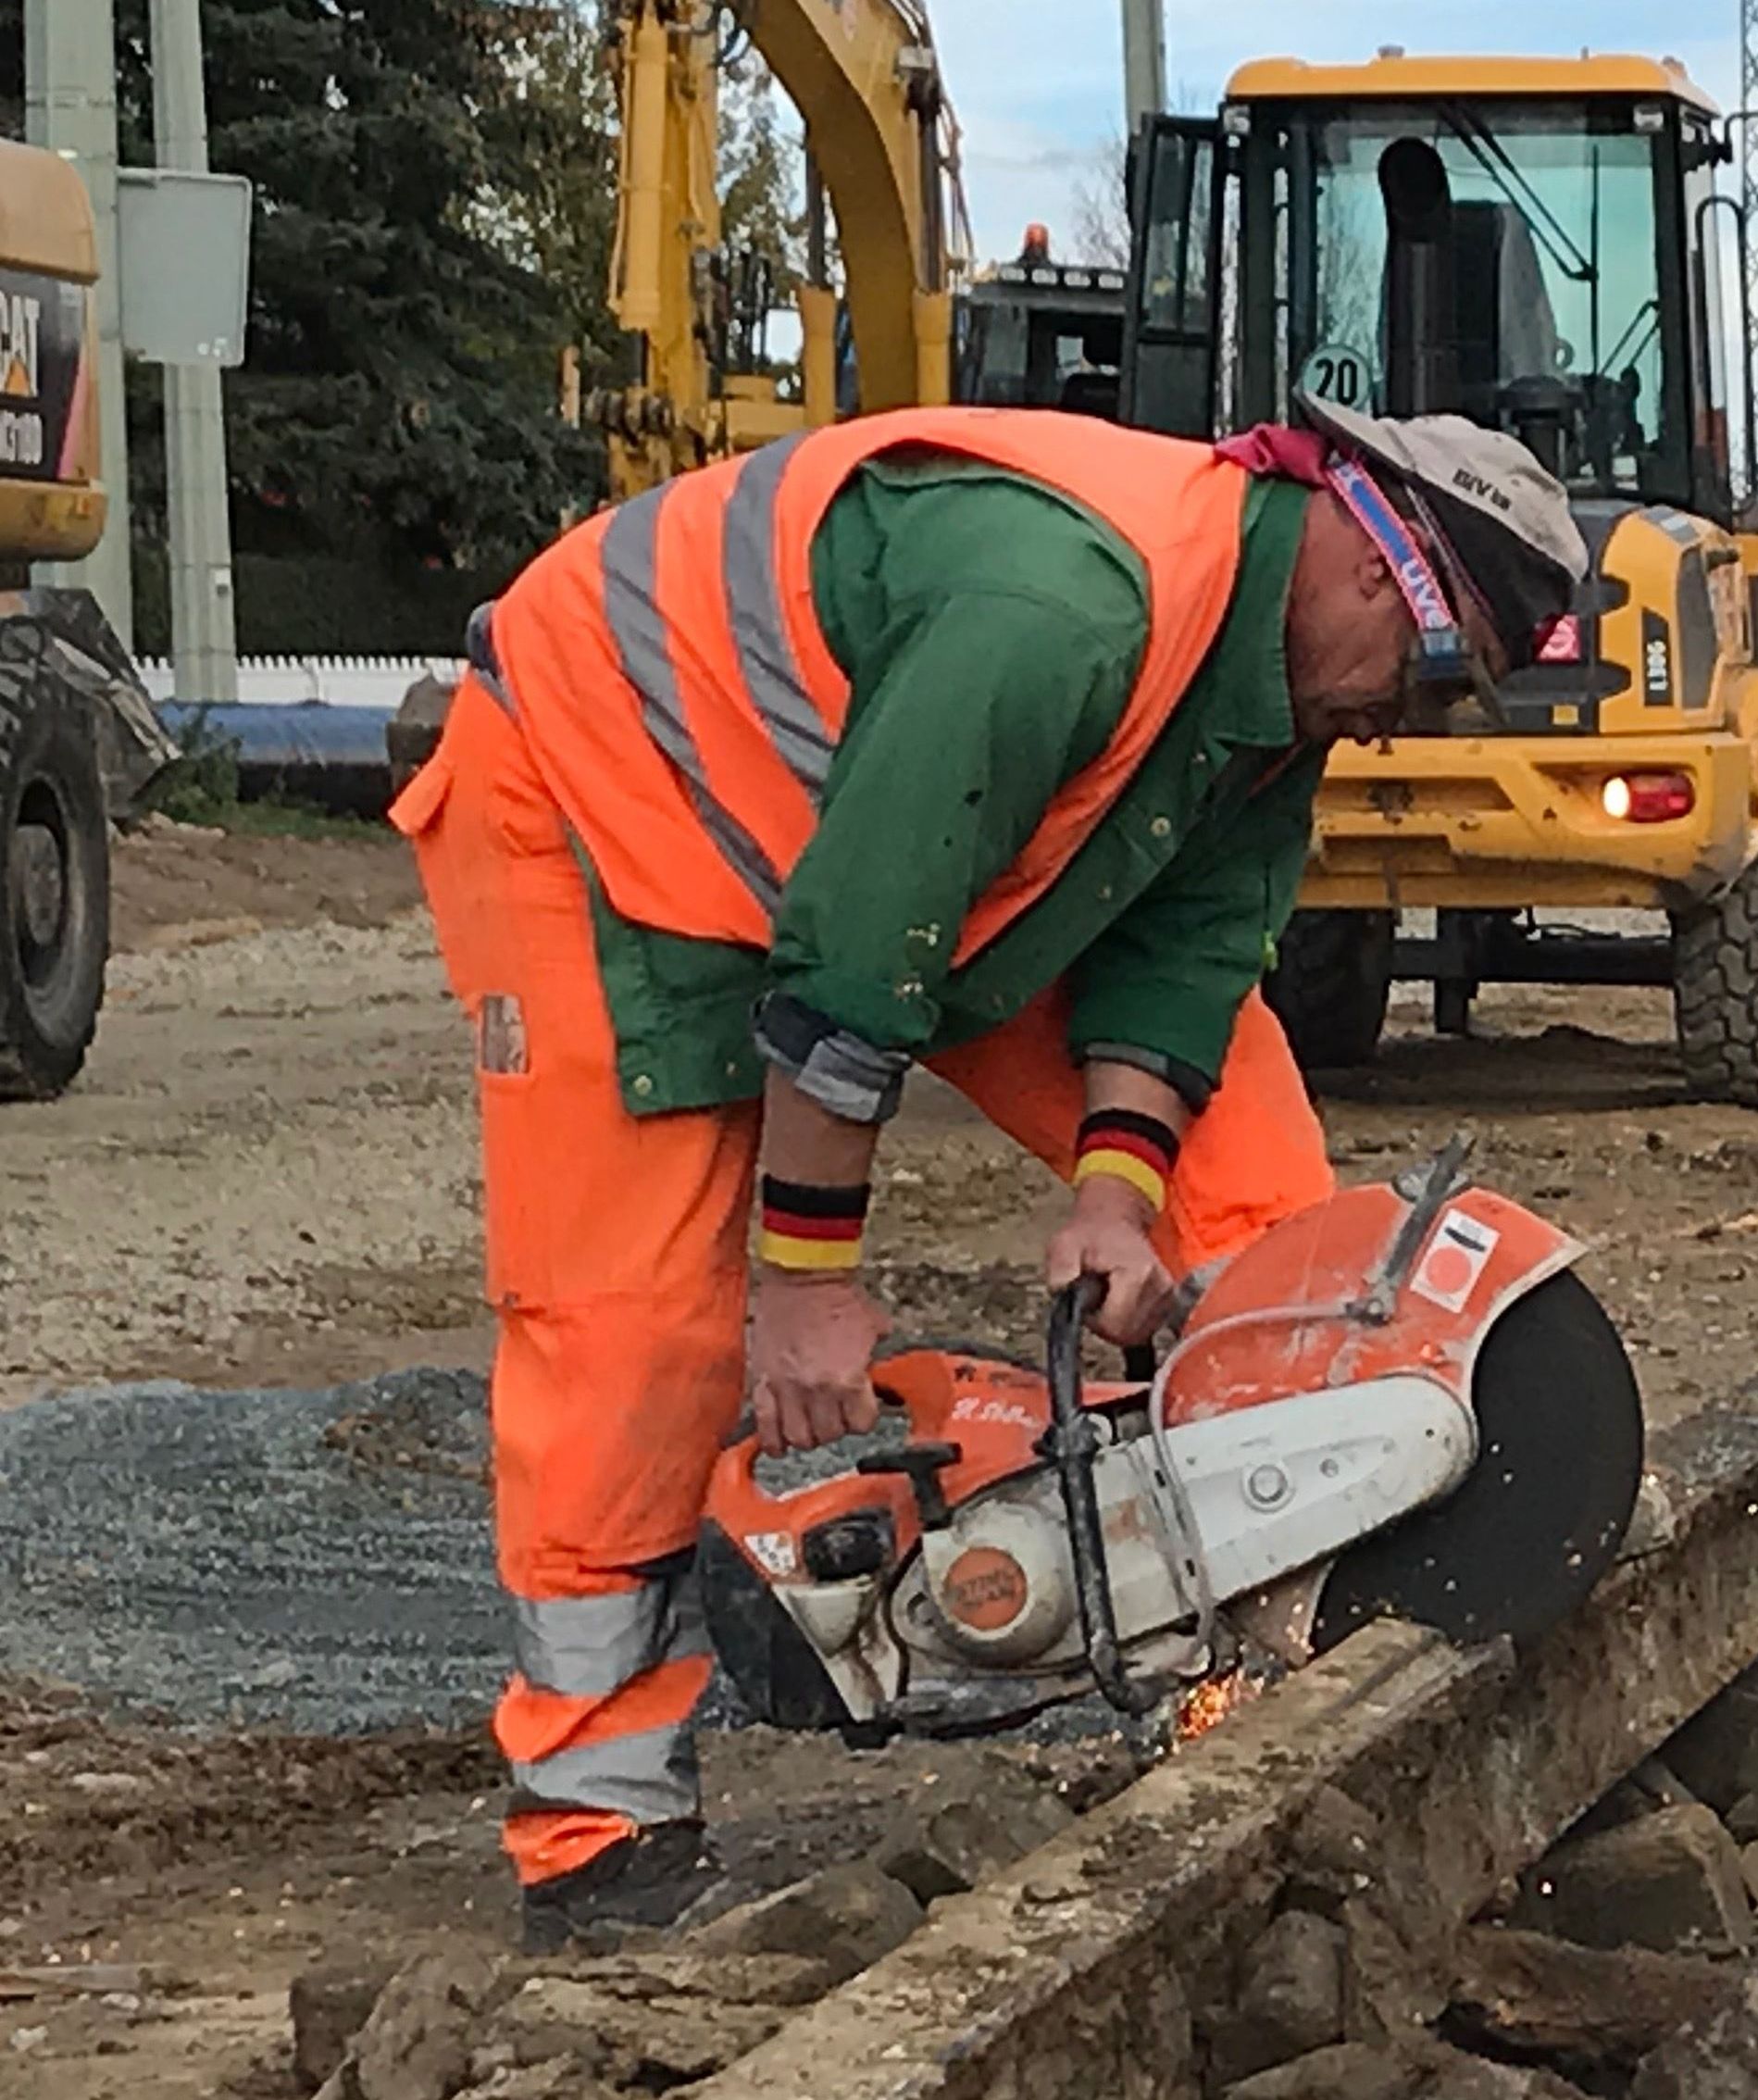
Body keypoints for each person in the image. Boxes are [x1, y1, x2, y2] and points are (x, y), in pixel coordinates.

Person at [391, 397, 1585, 1950]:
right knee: (632, 1327)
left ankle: (1269, 1635)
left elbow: (1186, 955)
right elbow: (860, 958)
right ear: (1374, 572)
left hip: (900, 844)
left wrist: (1118, 1191)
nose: (1401, 727)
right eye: (1433, 680)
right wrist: (808, 1284)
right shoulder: (1059, 609)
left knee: (1262, 1198)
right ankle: (601, 1822)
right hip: (604, 797)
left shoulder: (1272, 690)